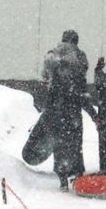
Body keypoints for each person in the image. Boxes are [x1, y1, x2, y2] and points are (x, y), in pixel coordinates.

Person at [43, 38, 97, 191]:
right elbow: (80, 97)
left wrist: (48, 115)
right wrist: (94, 115)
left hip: (56, 115)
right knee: (75, 145)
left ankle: (62, 178)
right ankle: (77, 175)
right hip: (73, 115)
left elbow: (49, 98)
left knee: (59, 146)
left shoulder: (53, 66)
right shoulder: (77, 65)